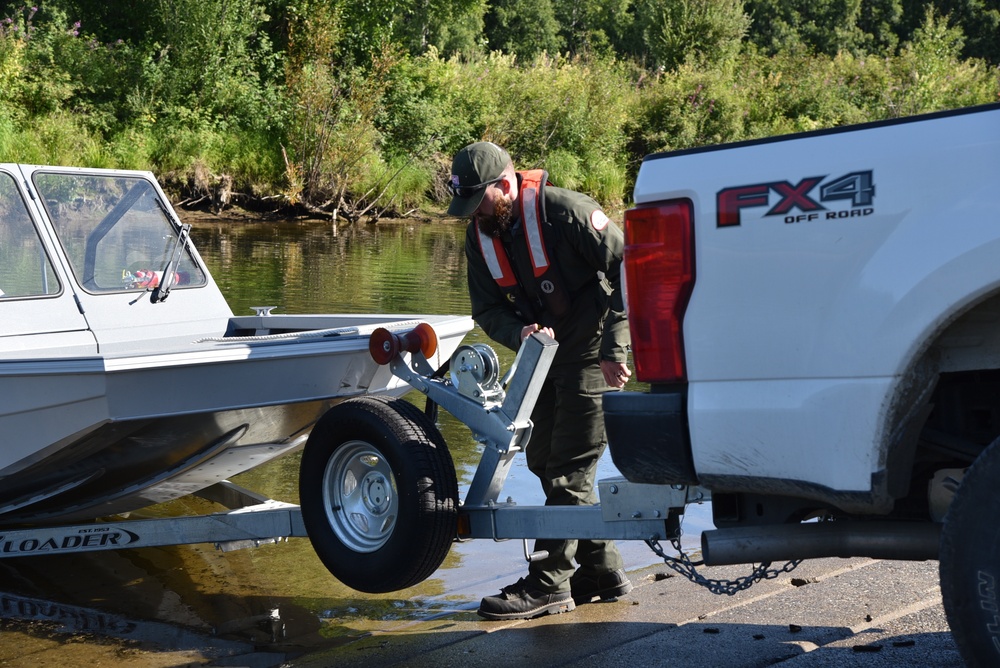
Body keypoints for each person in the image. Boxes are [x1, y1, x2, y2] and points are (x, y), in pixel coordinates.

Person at [447, 141, 633, 620]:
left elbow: (630, 268)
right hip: (543, 360)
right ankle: (601, 568)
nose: (474, 216)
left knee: (571, 467)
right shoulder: (480, 235)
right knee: (542, 458)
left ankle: (550, 584)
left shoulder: (566, 212)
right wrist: (519, 331)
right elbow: (487, 309)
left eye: (479, 203)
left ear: (504, 185)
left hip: (591, 355)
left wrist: (616, 350)